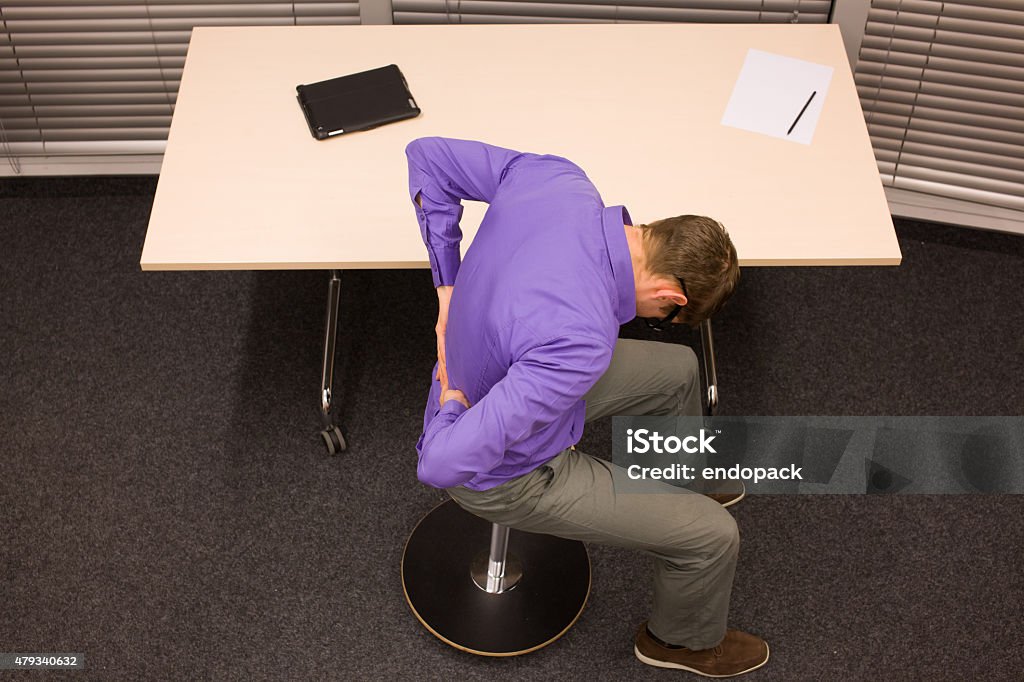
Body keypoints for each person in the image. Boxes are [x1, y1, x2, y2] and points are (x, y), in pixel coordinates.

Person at [406, 136, 767, 677]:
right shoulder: (583, 339)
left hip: (511, 368)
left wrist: (446, 289)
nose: (652, 321)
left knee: (679, 372)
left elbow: (426, 155)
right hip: (506, 472)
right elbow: (439, 464)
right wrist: (450, 404)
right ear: (673, 298)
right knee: (713, 536)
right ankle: (680, 643)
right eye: (664, 319)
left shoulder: (562, 181)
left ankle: (679, 476)